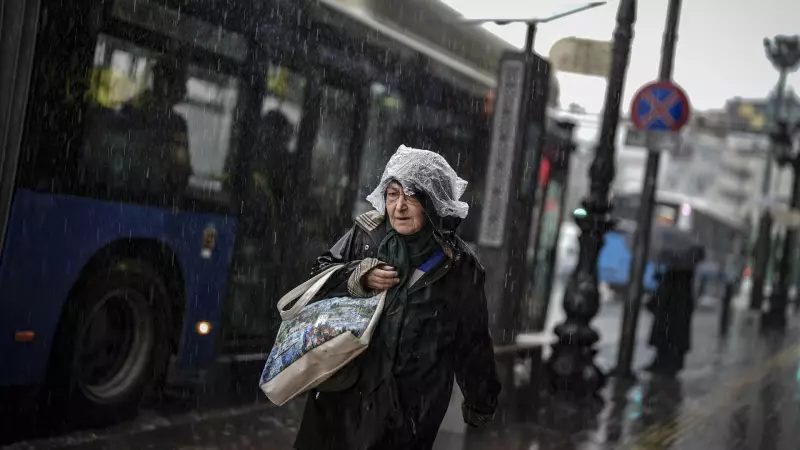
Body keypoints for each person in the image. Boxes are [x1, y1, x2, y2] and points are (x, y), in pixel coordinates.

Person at [294, 145, 501, 450]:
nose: (399, 207)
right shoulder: (367, 236)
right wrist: (357, 276)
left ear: (433, 202)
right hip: (345, 397)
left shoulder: (459, 267)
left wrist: (481, 400)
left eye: (412, 196)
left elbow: (472, 341)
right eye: (392, 194)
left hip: (410, 411)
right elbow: (318, 277)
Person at [646, 239, 706, 376]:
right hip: (671, 307)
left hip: (674, 307)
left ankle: (667, 363)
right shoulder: (679, 268)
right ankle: (663, 362)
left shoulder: (683, 270)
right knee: (667, 334)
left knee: (671, 334)